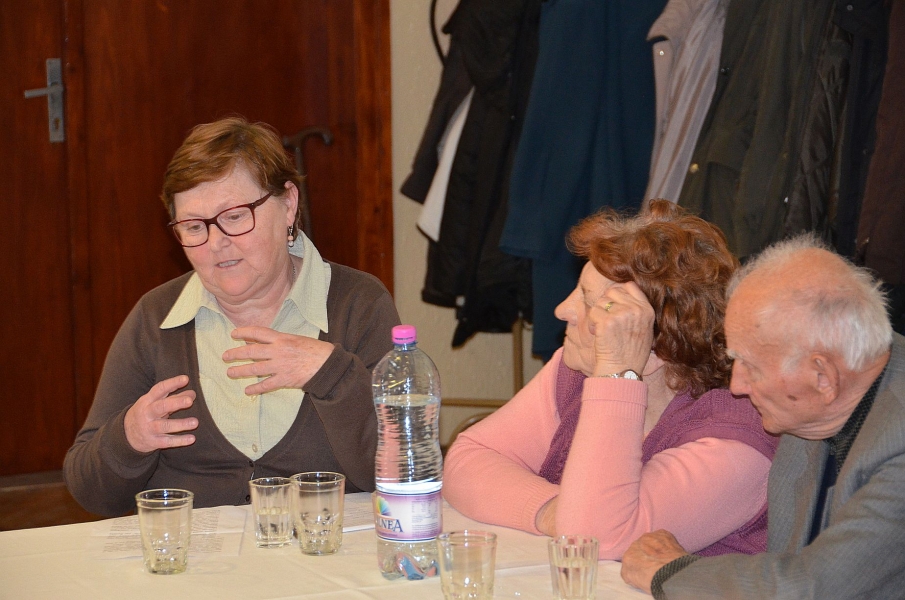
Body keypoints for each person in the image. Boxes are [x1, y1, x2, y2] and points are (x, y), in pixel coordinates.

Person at [63, 117, 400, 516]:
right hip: (193, 552)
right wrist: (129, 438)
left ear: (288, 204)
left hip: (320, 548)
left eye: (236, 216)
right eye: (194, 226)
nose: (216, 243)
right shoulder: (156, 319)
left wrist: (332, 375)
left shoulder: (359, 305)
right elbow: (87, 490)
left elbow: (403, 473)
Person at [443, 200, 778, 559]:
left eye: (590, 302)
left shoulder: (737, 438)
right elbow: (466, 461)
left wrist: (617, 374)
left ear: (656, 348)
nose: (562, 310)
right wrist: (553, 511)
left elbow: (593, 539)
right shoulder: (576, 370)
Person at [620, 235, 904, 599]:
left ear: (823, 377)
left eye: (751, 367)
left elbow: (815, 587)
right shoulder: (813, 408)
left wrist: (673, 573)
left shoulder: (897, 443)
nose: (737, 386)